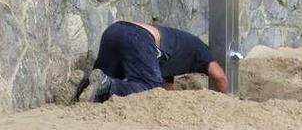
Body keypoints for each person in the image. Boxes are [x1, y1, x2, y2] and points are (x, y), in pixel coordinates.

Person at [76, 21, 228, 102]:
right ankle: (107, 85)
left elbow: (164, 92)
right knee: (150, 87)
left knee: (96, 86)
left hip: (114, 31)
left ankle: (78, 86)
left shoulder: (177, 54)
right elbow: (219, 75)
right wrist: (226, 100)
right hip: (137, 37)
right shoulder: (202, 50)